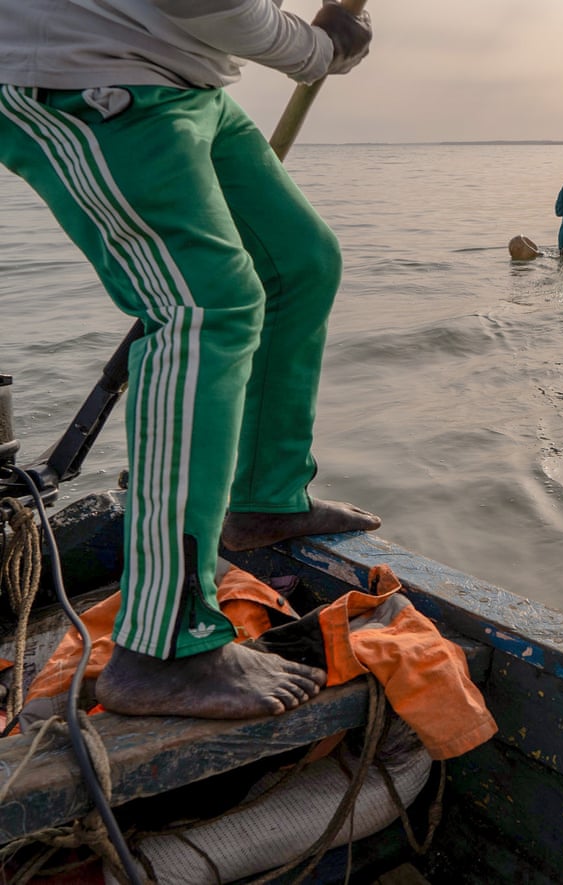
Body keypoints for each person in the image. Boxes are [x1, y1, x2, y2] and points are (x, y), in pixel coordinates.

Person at [0, 1, 377, 719]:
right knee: (204, 307)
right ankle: (163, 643)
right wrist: (313, 49)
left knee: (298, 263)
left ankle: (262, 498)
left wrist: (318, 38)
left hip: (186, 79)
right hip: (84, 77)